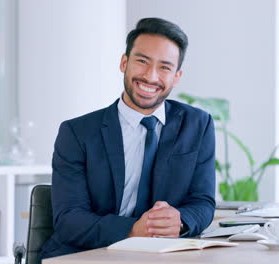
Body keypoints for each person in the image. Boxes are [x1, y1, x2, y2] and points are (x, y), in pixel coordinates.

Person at [39, 17, 216, 261]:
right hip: (86, 254)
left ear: (177, 76)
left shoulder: (198, 125)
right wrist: (133, 230)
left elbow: (202, 201)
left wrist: (181, 222)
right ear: (124, 62)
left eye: (164, 67)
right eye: (142, 61)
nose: (151, 77)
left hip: (163, 256)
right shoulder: (77, 133)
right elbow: (69, 219)